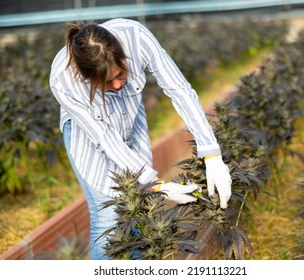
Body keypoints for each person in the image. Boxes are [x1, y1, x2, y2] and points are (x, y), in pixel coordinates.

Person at [49, 18, 232, 260]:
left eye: (121, 73)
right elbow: (105, 138)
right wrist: (159, 186)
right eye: (106, 83)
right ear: (87, 78)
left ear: (122, 54)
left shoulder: (137, 37)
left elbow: (179, 90)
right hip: (90, 135)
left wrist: (212, 154)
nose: (117, 84)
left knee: (135, 209)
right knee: (109, 220)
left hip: (130, 115)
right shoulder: (63, 80)